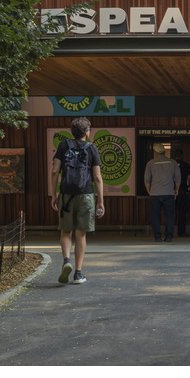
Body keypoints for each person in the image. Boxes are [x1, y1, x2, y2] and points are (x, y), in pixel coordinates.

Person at [52, 117, 105, 285]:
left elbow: (54, 171)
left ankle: (66, 260)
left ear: (72, 132)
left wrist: (54, 195)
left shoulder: (63, 146)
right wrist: (100, 201)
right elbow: (97, 177)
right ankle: (78, 273)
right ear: (87, 132)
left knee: (66, 231)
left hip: (66, 195)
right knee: (80, 234)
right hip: (86, 195)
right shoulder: (92, 149)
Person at [144, 144, 180, 242]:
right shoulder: (173, 163)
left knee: (155, 216)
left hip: (155, 193)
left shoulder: (150, 163)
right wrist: (176, 190)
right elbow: (177, 178)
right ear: (164, 152)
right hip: (169, 193)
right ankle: (168, 236)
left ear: (155, 152)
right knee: (169, 216)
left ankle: (157, 236)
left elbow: (147, 180)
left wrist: (149, 191)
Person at [174, 148, 190, 237]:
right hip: (182, 191)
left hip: (172, 191)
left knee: (171, 212)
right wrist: (189, 188)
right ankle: (181, 232)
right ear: (182, 156)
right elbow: (189, 178)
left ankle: (169, 232)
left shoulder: (172, 165)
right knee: (182, 212)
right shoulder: (186, 165)